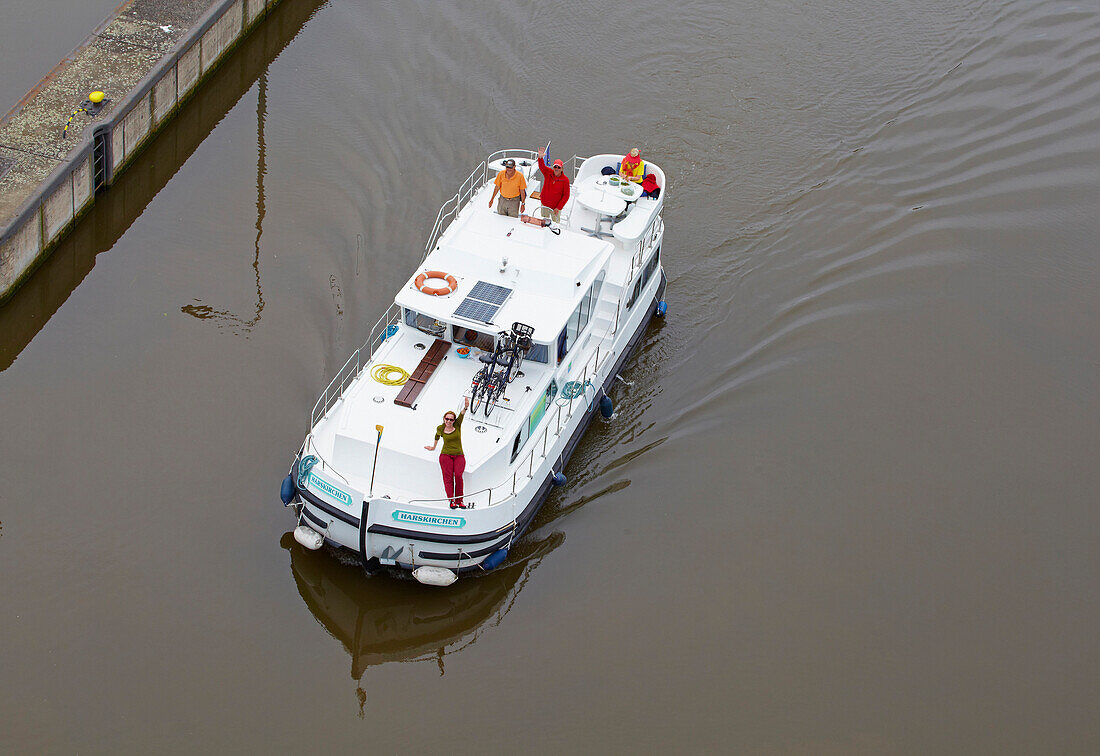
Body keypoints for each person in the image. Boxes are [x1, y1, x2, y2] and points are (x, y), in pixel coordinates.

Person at [424, 396, 470, 508]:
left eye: (451, 419)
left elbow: (462, 414)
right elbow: (437, 436)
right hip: (445, 455)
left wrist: (466, 407)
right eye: (447, 419)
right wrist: (433, 447)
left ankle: (460, 501)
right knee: (448, 477)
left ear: (454, 420)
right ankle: (451, 500)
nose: (449, 421)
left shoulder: (457, 425)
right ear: (444, 419)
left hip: (459, 455)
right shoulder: (440, 428)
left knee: (458, 476)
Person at [536, 147, 570, 223]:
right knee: (544, 222)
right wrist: (540, 158)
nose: (556, 169)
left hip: (555, 208)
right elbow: (542, 167)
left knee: (555, 224)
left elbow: (566, 196)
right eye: (555, 166)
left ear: (562, 169)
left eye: (559, 167)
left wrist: (558, 207)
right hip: (545, 204)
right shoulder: (548, 172)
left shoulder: (565, 180)